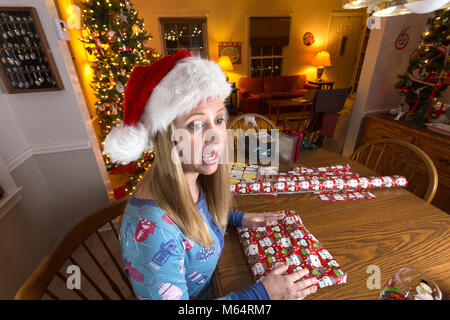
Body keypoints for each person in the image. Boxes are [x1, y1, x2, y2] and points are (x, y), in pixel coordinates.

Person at [103, 49, 318, 300]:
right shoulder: (152, 233)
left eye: (218, 119)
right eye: (195, 124)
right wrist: (261, 295)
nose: (215, 136)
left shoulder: (190, 177)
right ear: (167, 137)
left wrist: (238, 217)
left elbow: (196, 215)